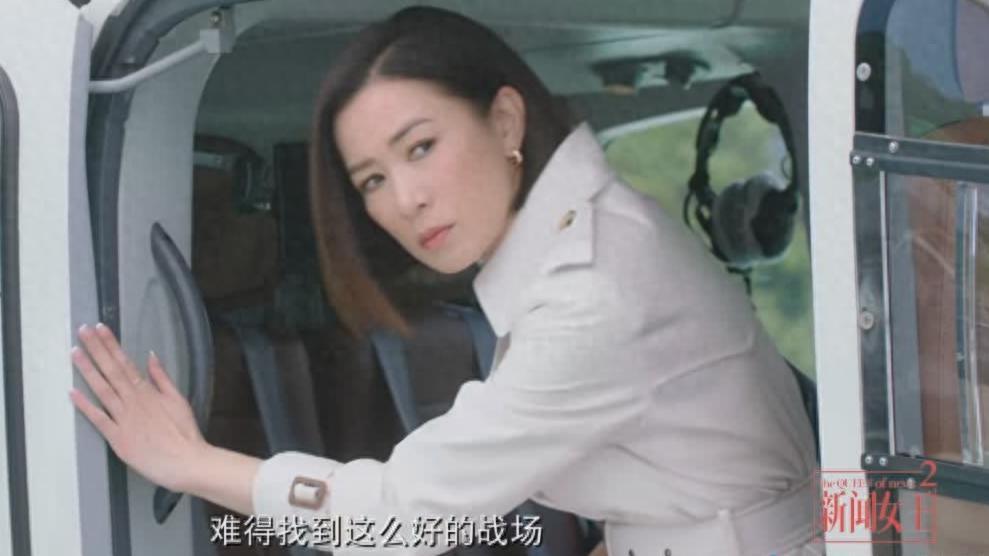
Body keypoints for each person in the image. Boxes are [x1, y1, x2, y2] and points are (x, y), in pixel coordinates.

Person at [69, 6, 822, 556]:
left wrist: (191, 463)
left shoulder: (591, 290)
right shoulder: (600, 237)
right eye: (371, 179)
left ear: (505, 121)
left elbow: (406, 517)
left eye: (421, 147)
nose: (404, 200)